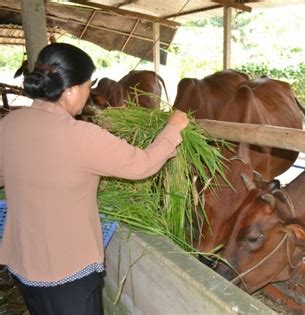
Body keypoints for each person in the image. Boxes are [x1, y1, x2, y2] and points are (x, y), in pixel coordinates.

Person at [0, 43, 189, 314]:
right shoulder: (82, 136)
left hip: (23, 265)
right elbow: (143, 164)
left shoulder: (9, 125)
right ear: (71, 89)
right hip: (68, 273)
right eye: (88, 87)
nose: (88, 96)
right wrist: (172, 129)